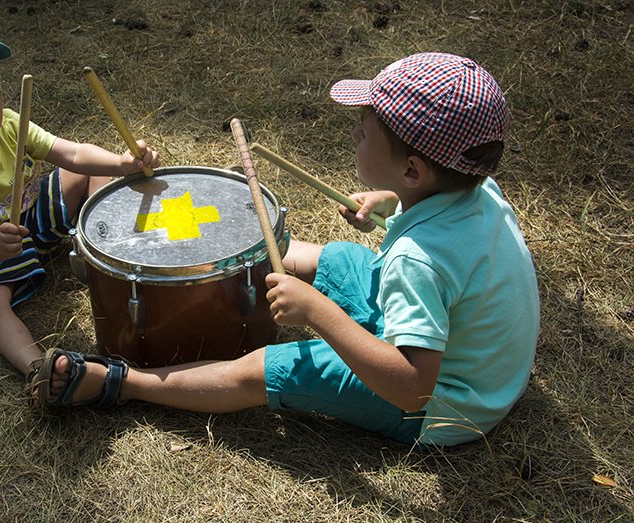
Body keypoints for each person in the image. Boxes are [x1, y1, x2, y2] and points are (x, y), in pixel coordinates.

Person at [32, 52, 540, 447]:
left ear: (413, 170)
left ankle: (125, 382)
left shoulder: (416, 263)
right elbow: (438, 248)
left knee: (263, 368)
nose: (354, 137)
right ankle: (243, 266)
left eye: (362, 134)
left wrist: (317, 313)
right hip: (472, 362)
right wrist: (390, 199)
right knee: (342, 258)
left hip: (442, 405)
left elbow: (413, 386)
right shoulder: (477, 188)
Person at [0, 15, 160, 387]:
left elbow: (71, 153)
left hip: (32, 215)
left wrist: (122, 163)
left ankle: (103, 252)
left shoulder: (8, 123)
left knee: (90, 173)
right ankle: (39, 369)